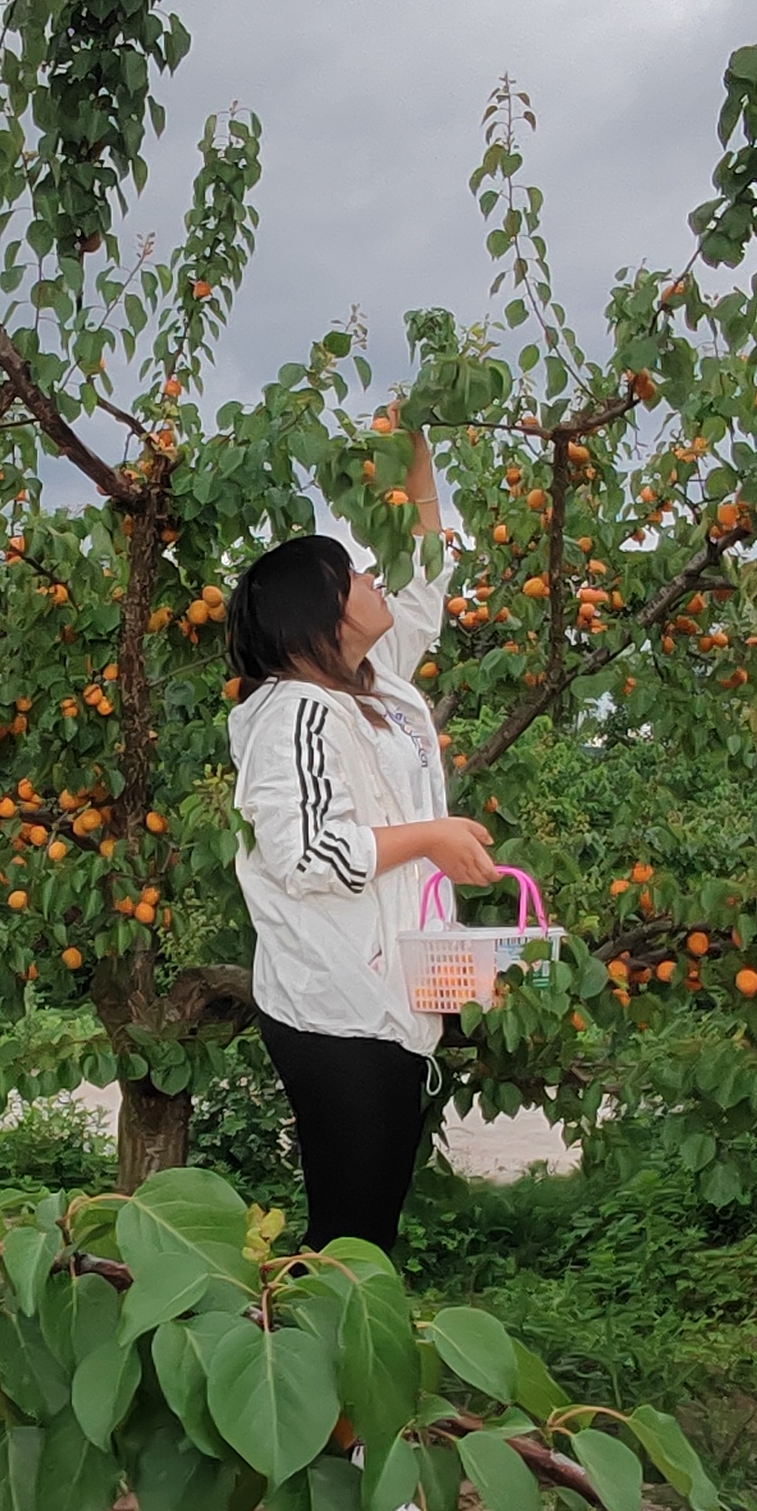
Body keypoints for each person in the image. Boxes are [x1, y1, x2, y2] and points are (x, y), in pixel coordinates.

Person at [226, 429, 498, 1248]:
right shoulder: (295, 713)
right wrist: (433, 837)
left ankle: (329, 1362)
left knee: (364, 1228)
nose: (372, 577)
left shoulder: (372, 689)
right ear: (316, 616)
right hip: (335, 1006)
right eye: (349, 575)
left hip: (385, 998)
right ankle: (308, 1364)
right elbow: (309, 854)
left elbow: (423, 581)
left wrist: (418, 459)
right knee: (349, 1236)